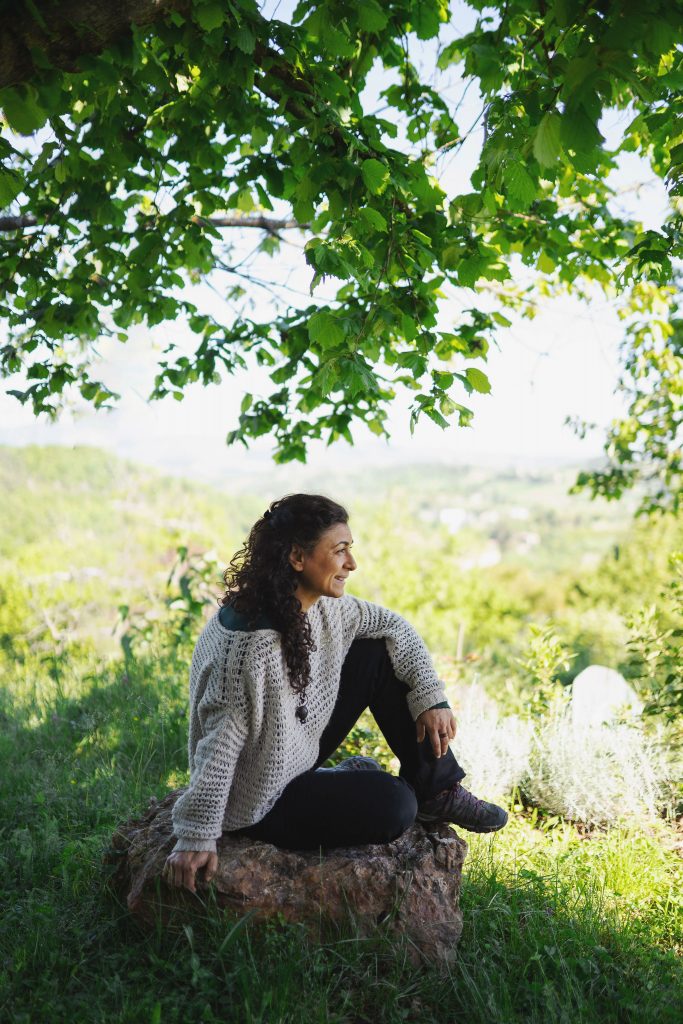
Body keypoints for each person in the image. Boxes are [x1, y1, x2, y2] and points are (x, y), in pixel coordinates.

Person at [163, 494, 507, 894]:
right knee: (395, 805)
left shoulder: (318, 605)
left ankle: (438, 787)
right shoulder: (249, 650)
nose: (351, 564)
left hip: (290, 748)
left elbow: (393, 625)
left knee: (377, 652)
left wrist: (431, 697)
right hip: (259, 797)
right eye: (340, 550)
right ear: (297, 557)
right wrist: (196, 835)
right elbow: (218, 747)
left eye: (350, 549)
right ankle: (354, 784)